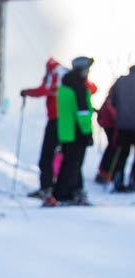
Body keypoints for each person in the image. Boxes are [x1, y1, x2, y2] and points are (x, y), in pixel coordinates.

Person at [47, 56, 96, 206]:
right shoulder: (79, 87)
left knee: (68, 163)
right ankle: (66, 194)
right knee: (74, 164)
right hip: (77, 131)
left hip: (66, 131)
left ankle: (63, 193)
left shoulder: (66, 84)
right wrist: (87, 132)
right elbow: (82, 112)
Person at [20, 58, 68, 199]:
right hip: (67, 121)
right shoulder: (68, 74)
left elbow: (43, 90)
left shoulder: (52, 74)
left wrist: (27, 92)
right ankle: (60, 188)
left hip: (55, 120)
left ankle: (46, 187)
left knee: (47, 156)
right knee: (63, 155)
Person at [107, 64, 135, 192]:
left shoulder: (120, 81)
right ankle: (133, 181)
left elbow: (112, 101)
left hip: (122, 125)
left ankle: (118, 180)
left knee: (121, 154)